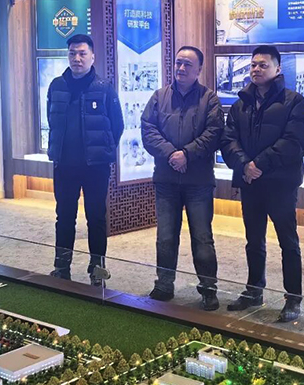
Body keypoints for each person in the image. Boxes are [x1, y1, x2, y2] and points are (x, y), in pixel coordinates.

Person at [221, 45, 304, 322]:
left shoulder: (294, 102)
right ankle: (253, 290)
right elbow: (228, 140)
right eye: (253, 65)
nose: (256, 69)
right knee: (253, 240)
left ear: (278, 69)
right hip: (250, 182)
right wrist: (245, 165)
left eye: (263, 65)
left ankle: (293, 298)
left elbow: (295, 142)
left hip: (280, 184)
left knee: (288, 242)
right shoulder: (241, 104)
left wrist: (258, 164)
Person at [141, 46, 224, 311]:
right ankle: (164, 284)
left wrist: (186, 154)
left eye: (188, 64)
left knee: (202, 237)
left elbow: (214, 133)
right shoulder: (159, 96)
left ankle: (208, 289)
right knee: (165, 236)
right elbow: (148, 130)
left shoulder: (209, 99)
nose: (181, 68)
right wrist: (171, 154)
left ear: (199, 69)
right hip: (166, 180)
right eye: (178, 62)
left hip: (198, 182)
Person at [46, 34, 124, 285]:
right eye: (72, 53)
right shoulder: (57, 86)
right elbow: (51, 120)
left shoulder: (104, 87)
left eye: (82, 53)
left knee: (96, 217)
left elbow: (117, 125)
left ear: (92, 56)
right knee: (64, 216)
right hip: (64, 165)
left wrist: (103, 150)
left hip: (96, 166)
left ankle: (97, 269)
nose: (77, 58)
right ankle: (61, 267)